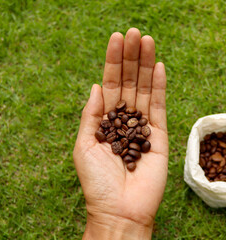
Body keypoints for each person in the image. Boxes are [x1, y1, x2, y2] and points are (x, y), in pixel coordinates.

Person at [73, 28, 168, 239]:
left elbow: (131, 135)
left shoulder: (129, 135)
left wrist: (109, 220)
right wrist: (110, 217)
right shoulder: (124, 135)